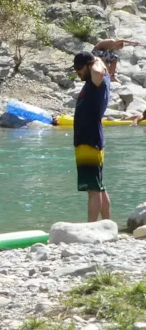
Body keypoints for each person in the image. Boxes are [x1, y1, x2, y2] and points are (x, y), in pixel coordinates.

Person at [72, 51, 111, 222]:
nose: (77, 71)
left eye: (79, 68)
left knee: (93, 190)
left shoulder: (97, 81)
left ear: (89, 66)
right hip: (89, 140)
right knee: (99, 187)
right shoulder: (93, 81)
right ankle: (108, 225)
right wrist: (97, 59)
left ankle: (92, 229)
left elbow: (97, 71)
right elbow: (98, 50)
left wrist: (96, 61)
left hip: (90, 140)